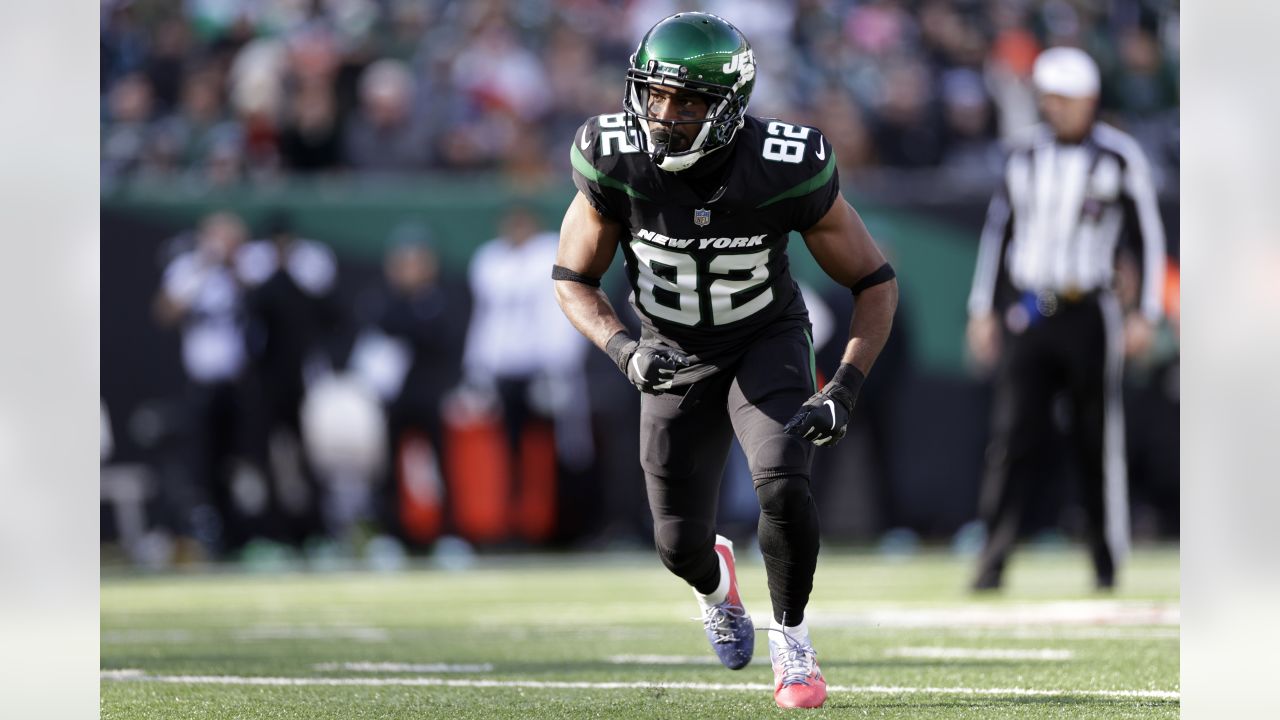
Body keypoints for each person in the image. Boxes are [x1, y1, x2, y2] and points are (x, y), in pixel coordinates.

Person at [552, 13, 898, 709]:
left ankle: (794, 642)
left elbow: (874, 282)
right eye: (654, 95)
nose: (664, 114)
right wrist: (621, 349)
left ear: (730, 104)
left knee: (782, 483)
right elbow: (572, 279)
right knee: (677, 544)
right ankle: (716, 584)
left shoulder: (783, 164)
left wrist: (847, 386)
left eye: (687, 102)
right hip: (671, 350)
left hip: (762, 339)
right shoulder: (611, 157)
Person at [965, 47, 1166, 592]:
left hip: (1090, 309)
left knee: (1096, 437)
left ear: (1088, 101)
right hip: (1030, 310)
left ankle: (1106, 559)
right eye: (1050, 98)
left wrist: (1145, 312)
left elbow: (1148, 237)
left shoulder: (1120, 157)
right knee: (1010, 437)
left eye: (1065, 99)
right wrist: (982, 307)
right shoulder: (1023, 155)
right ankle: (993, 559)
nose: (1056, 108)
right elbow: (997, 234)